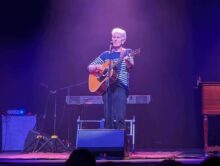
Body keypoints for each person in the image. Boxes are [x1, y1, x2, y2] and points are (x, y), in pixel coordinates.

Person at [87, 27, 134, 129]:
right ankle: (109, 143)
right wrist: (97, 67)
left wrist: (128, 61)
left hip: (120, 86)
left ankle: (121, 143)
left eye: (118, 37)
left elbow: (130, 67)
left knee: (120, 117)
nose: (115, 39)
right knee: (108, 118)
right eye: (114, 37)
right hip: (106, 87)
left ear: (123, 40)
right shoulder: (105, 54)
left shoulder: (127, 52)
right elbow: (89, 67)